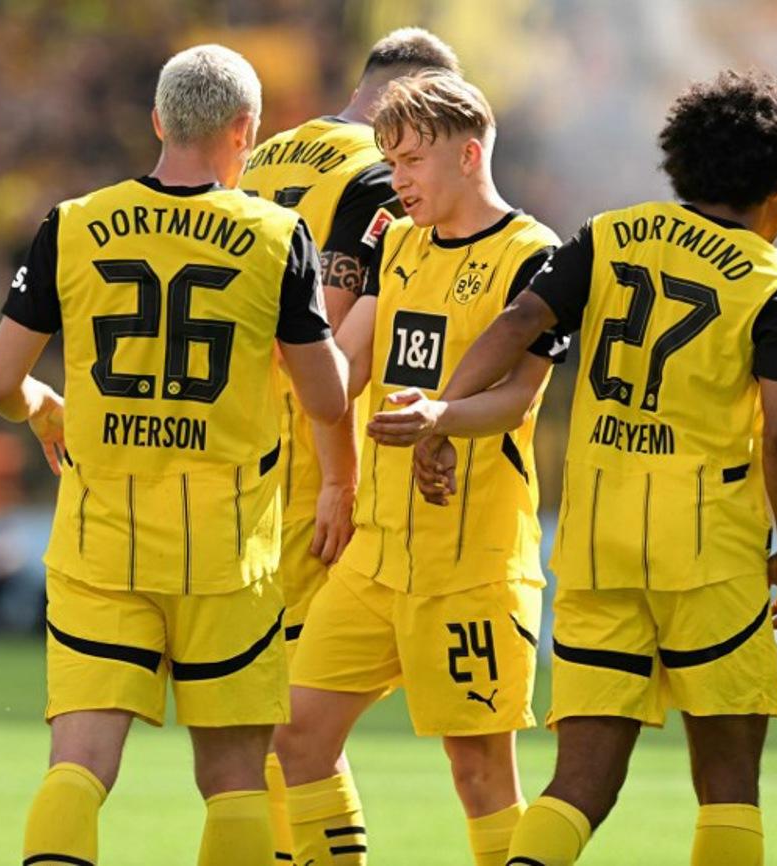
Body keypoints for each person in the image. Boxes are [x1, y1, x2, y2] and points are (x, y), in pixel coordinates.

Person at [378, 68, 777, 866]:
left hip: (598, 547)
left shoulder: (611, 235)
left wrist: (442, 413)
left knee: (580, 783)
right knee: (729, 787)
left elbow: (521, 318)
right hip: (709, 557)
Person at [0, 44, 349, 866]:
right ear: (245, 130)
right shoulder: (276, 235)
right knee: (234, 782)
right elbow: (327, 399)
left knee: (79, 767)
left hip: (102, 545)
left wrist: (42, 406)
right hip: (228, 554)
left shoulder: (73, 223)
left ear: (157, 121)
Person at [272, 70, 564, 866]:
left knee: (480, 775)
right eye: (390, 161)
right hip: (375, 556)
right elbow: (347, 366)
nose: (397, 180)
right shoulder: (396, 243)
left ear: (469, 155)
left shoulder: (532, 256)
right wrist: (283, 336)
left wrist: (442, 417)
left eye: (411, 161)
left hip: (470, 563)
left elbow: (519, 397)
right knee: (295, 737)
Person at [239, 27, 460, 862]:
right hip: (317, 455)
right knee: (296, 715)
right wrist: (342, 477)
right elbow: (328, 339)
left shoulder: (265, 156)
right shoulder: (376, 174)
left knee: (269, 710)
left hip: (245, 449)